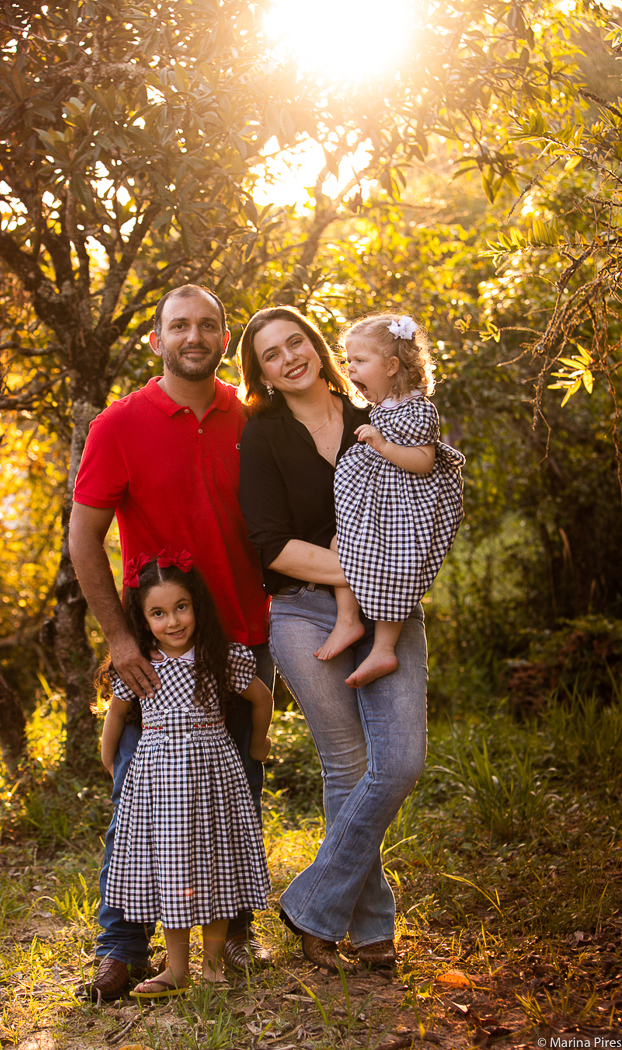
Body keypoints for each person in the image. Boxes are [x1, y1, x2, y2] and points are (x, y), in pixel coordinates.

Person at [69, 284, 272, 1001]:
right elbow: (83, 538)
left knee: (234, 800)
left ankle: (231, 941)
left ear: (225, 338)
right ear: (155, 340)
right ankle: (120, 949)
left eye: (208, 325)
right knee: (135, 807)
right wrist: (121, 639)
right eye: (179, 324)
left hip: (244, 635)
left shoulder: (251, 419)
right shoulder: (118, 425)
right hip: (157, 652)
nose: (195, 334)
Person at [237, 305, 428, 971]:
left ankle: (312, 905)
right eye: (271, 354)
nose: (290, 358)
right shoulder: (261, 436)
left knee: (399, 762)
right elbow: (270, 547)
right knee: (347, 767)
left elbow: (419, 502)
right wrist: (370, 563)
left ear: (316, 347)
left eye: (297, 343)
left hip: (389, 611)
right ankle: (373, 934)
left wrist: (391, 570)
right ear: (259, 372)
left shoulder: (371, 419)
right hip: (301, 614)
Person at [100, 553, 272, 997]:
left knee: (216, 866)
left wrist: (257, 745)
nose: (173, 621)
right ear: (143, 619)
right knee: (171, 870)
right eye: (158, 613)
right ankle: (177, 970)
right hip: (160, 783)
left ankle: (213, 966)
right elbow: (116, 717)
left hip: (214, 775)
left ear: (196, 606)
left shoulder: (219, 657)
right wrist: (111, 762)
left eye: (181, 607)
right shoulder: (140, 664)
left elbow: (262, 698)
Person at [316, 312, 465, 688]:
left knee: (396, 567)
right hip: (378, 510)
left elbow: (423, 462)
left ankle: (384, 647)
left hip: (402, 514)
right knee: (340, 545)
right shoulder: (384, 406)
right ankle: (348, 621)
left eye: (359, 361)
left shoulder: (417, 409)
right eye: (348, 360)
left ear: (392, 365)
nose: (350, 369)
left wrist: (381, 445)